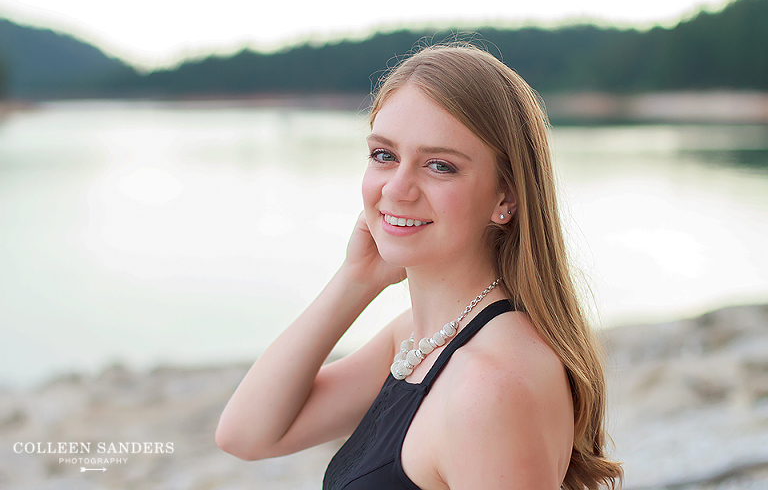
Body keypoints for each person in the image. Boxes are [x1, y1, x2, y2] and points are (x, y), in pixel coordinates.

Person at [215, 42, 623, 490]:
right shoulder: (416, 338)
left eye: (439, 165)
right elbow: (246, 435)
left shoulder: (488, 386)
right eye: (384, 155)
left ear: (505, 197)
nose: (397, 189)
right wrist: (356, 279)